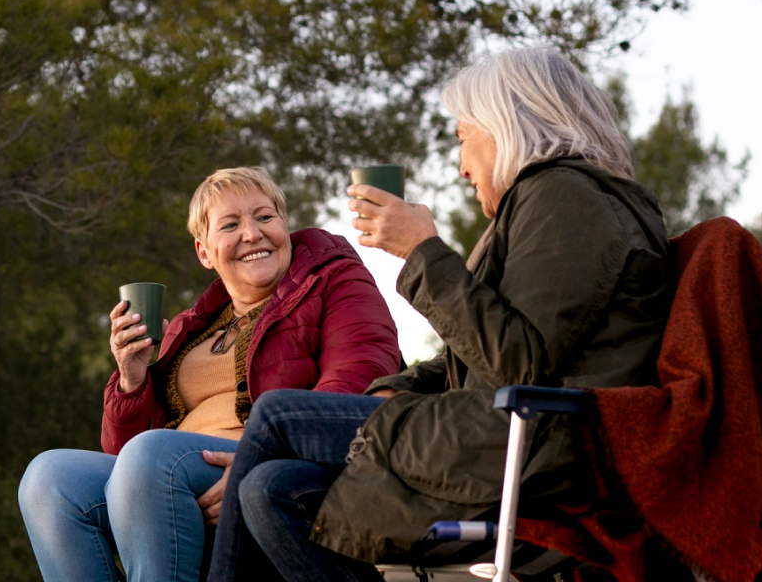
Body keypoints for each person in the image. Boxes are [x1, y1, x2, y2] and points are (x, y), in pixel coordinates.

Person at [205, 46, 675, 582]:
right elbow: (485, 353)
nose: (461, 166)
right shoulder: (552, 200)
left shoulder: (566, 196)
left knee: (275, 415)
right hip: (502, 436)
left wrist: (421, 251)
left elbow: (519, 361)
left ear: (505, 125)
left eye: (462, 138)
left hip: (538, 448)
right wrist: (397, 388)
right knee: (269, 489)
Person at [18, 166, 403, 582]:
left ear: (285, 226)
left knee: (150, 458)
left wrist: (257, 457)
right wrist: (133, 380)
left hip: (271, 465)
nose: (252, 234)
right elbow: (122, 457)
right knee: (50, 478)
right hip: (166, 471)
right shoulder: (192, 326)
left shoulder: (333, 280)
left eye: (265, 217)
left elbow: (356, 382)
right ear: (204, 252)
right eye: (231, 225)